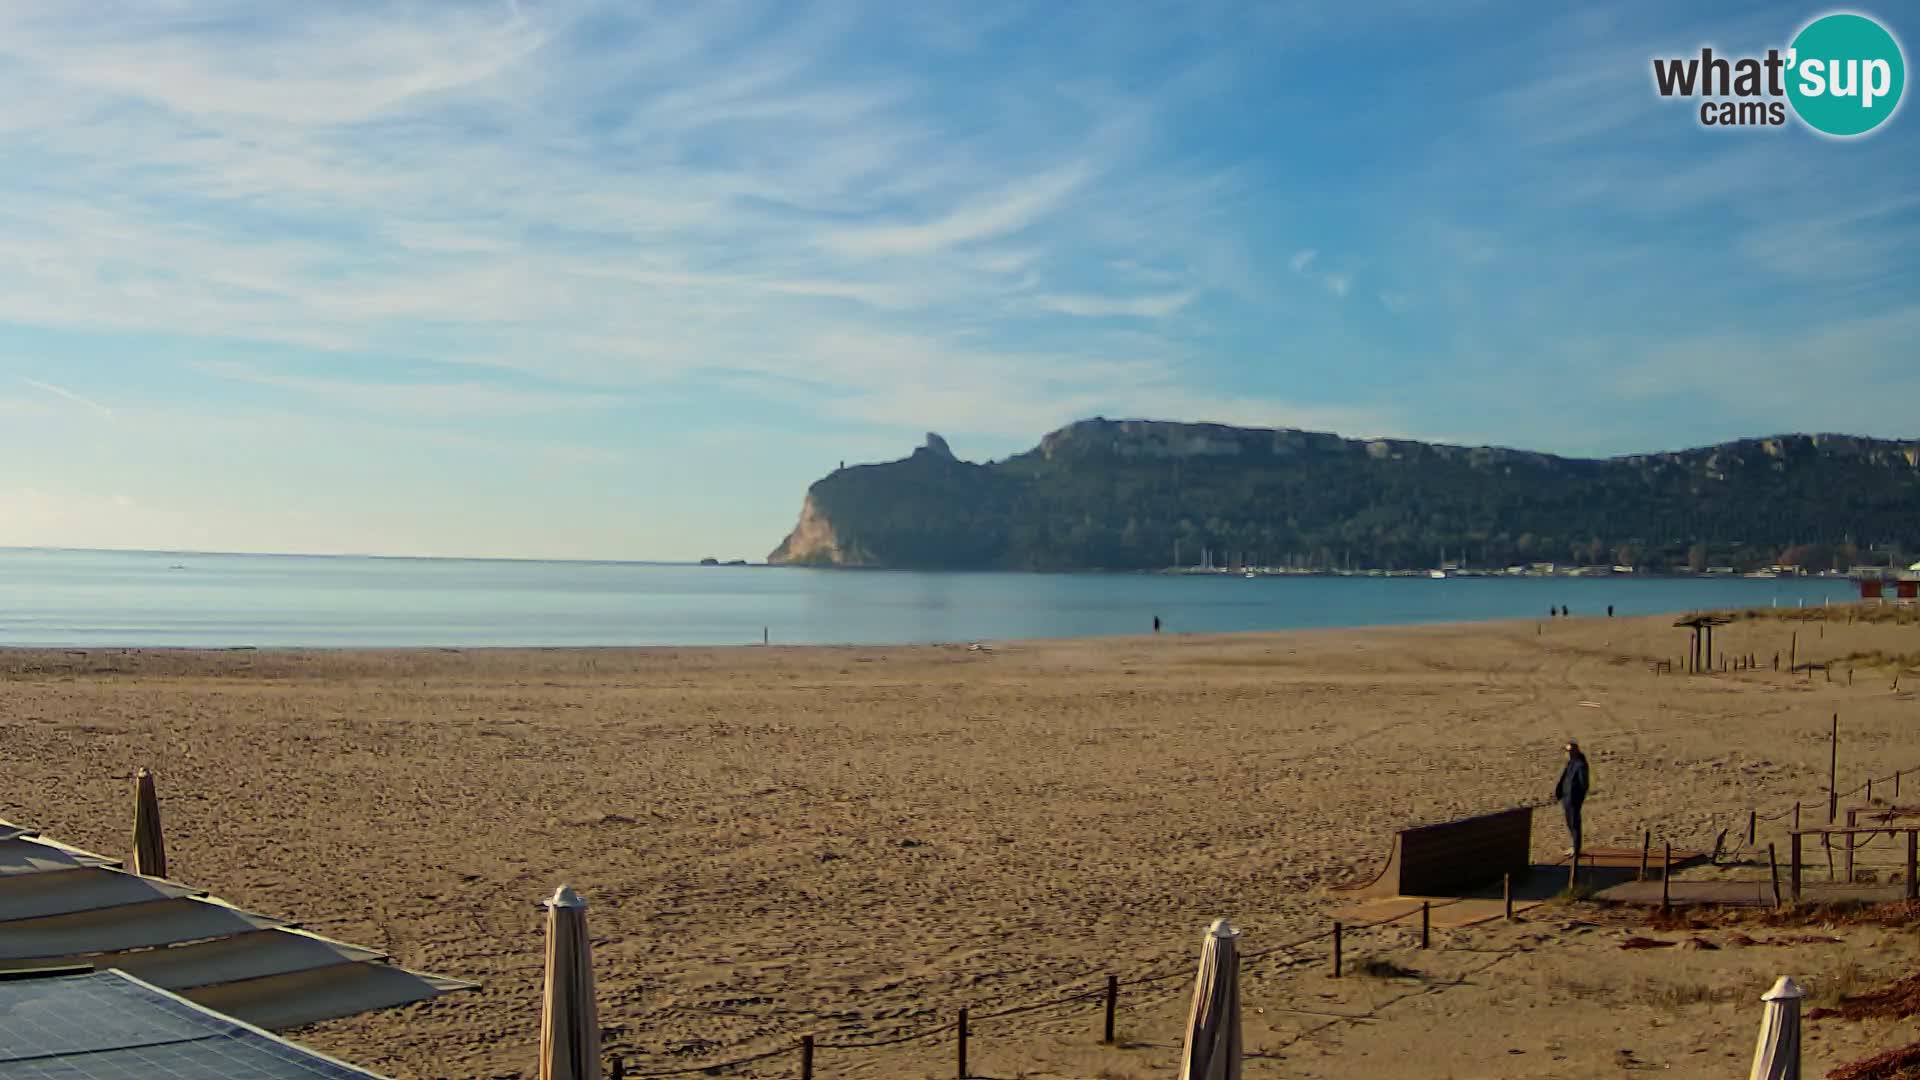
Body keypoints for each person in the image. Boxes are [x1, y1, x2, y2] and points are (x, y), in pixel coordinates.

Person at [1553, 741, 1591, 854]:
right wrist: (1559, 793)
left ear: (1576, 751)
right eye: (1567, 751)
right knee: (1570, 823)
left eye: (1570, 751)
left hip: (1573, 799)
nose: (1568, 754)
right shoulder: (1571, 763)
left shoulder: (1580, 764)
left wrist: (1578, 798)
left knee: (1574, 823)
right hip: (1566, 798)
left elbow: (1584, 784)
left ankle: (1576, 848)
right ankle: (1574, 846)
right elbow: (1564, 779)